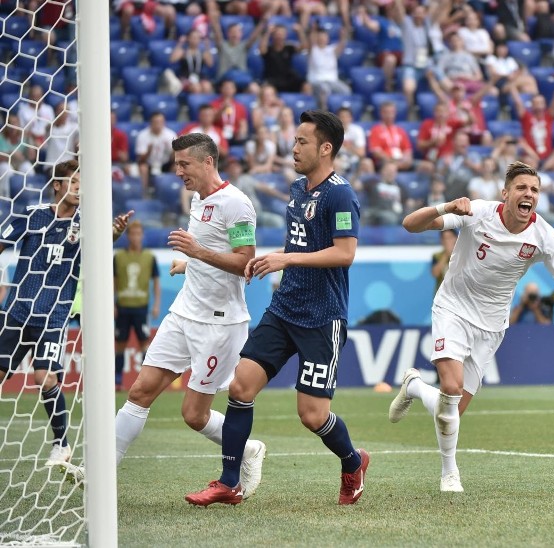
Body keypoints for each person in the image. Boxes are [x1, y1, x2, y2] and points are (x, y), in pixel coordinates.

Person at [185, 110, 369, 507]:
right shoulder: (298, 189)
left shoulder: (340, 194)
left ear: (326, 147)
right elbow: (302, 249)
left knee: (313, 415)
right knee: (240, 386)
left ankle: (354, 461)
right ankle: (229, 483)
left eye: (302, 141)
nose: (293, 147)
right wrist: (274, 257)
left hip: (322, 316)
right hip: (284, 308)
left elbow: (345, 253)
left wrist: (287, 260)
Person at [389, 161, 554, 492]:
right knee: (450, 389)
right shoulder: (478, 212)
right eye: (522, 188)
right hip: (452, 308)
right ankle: (449, 472)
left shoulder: (545, 236)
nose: (529, 194)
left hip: (492, 326)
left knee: (451, 411)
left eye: (535, 190)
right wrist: (447, 205)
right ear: (505, 193)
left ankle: (414, 386)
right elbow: (410, 224)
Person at [88, 133, 266, 498]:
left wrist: (196, 252)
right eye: (176, 164)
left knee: (193, 415)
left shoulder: (237, 204)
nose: (177, 170)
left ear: (207, 162)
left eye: (184, 163)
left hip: (219, 323)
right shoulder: (198, 200)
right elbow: (211, 253)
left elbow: (245, 261)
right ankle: (101, 476)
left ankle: (248, 448)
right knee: (140, 390)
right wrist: (189, 264)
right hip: (184, 313)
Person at [0, 160, 132, 468]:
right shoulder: (31, 216)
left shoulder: (86, 224)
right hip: (16, 311)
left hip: (53, 315)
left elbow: (101, 245)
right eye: (73, 182)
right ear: (57, 185)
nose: (78, 188)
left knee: (44, 378)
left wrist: (114, 232)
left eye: (82, 183)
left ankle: (61, 445)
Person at [114, 221, 161, 391]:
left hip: (141, 307)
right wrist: (112, 303)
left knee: (144, 343)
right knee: (120, 344)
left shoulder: (149, 257)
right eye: (132, 233)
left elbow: (156, 281)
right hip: (123, 306)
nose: (135, 237)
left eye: (138, 233)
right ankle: (117, 381)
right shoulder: (119, 257)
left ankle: (146, 381)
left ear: (142, 235)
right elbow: (114, 280)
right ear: (128, 236)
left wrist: (156, 304)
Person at [431, 229, 457, 294]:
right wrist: (446, 254)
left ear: (456, 238)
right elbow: (435, 274)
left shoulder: (462, 255)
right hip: (442, 295)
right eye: (445, 238)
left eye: (450, 237)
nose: (448, 241)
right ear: (441, 241)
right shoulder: (437, 256)